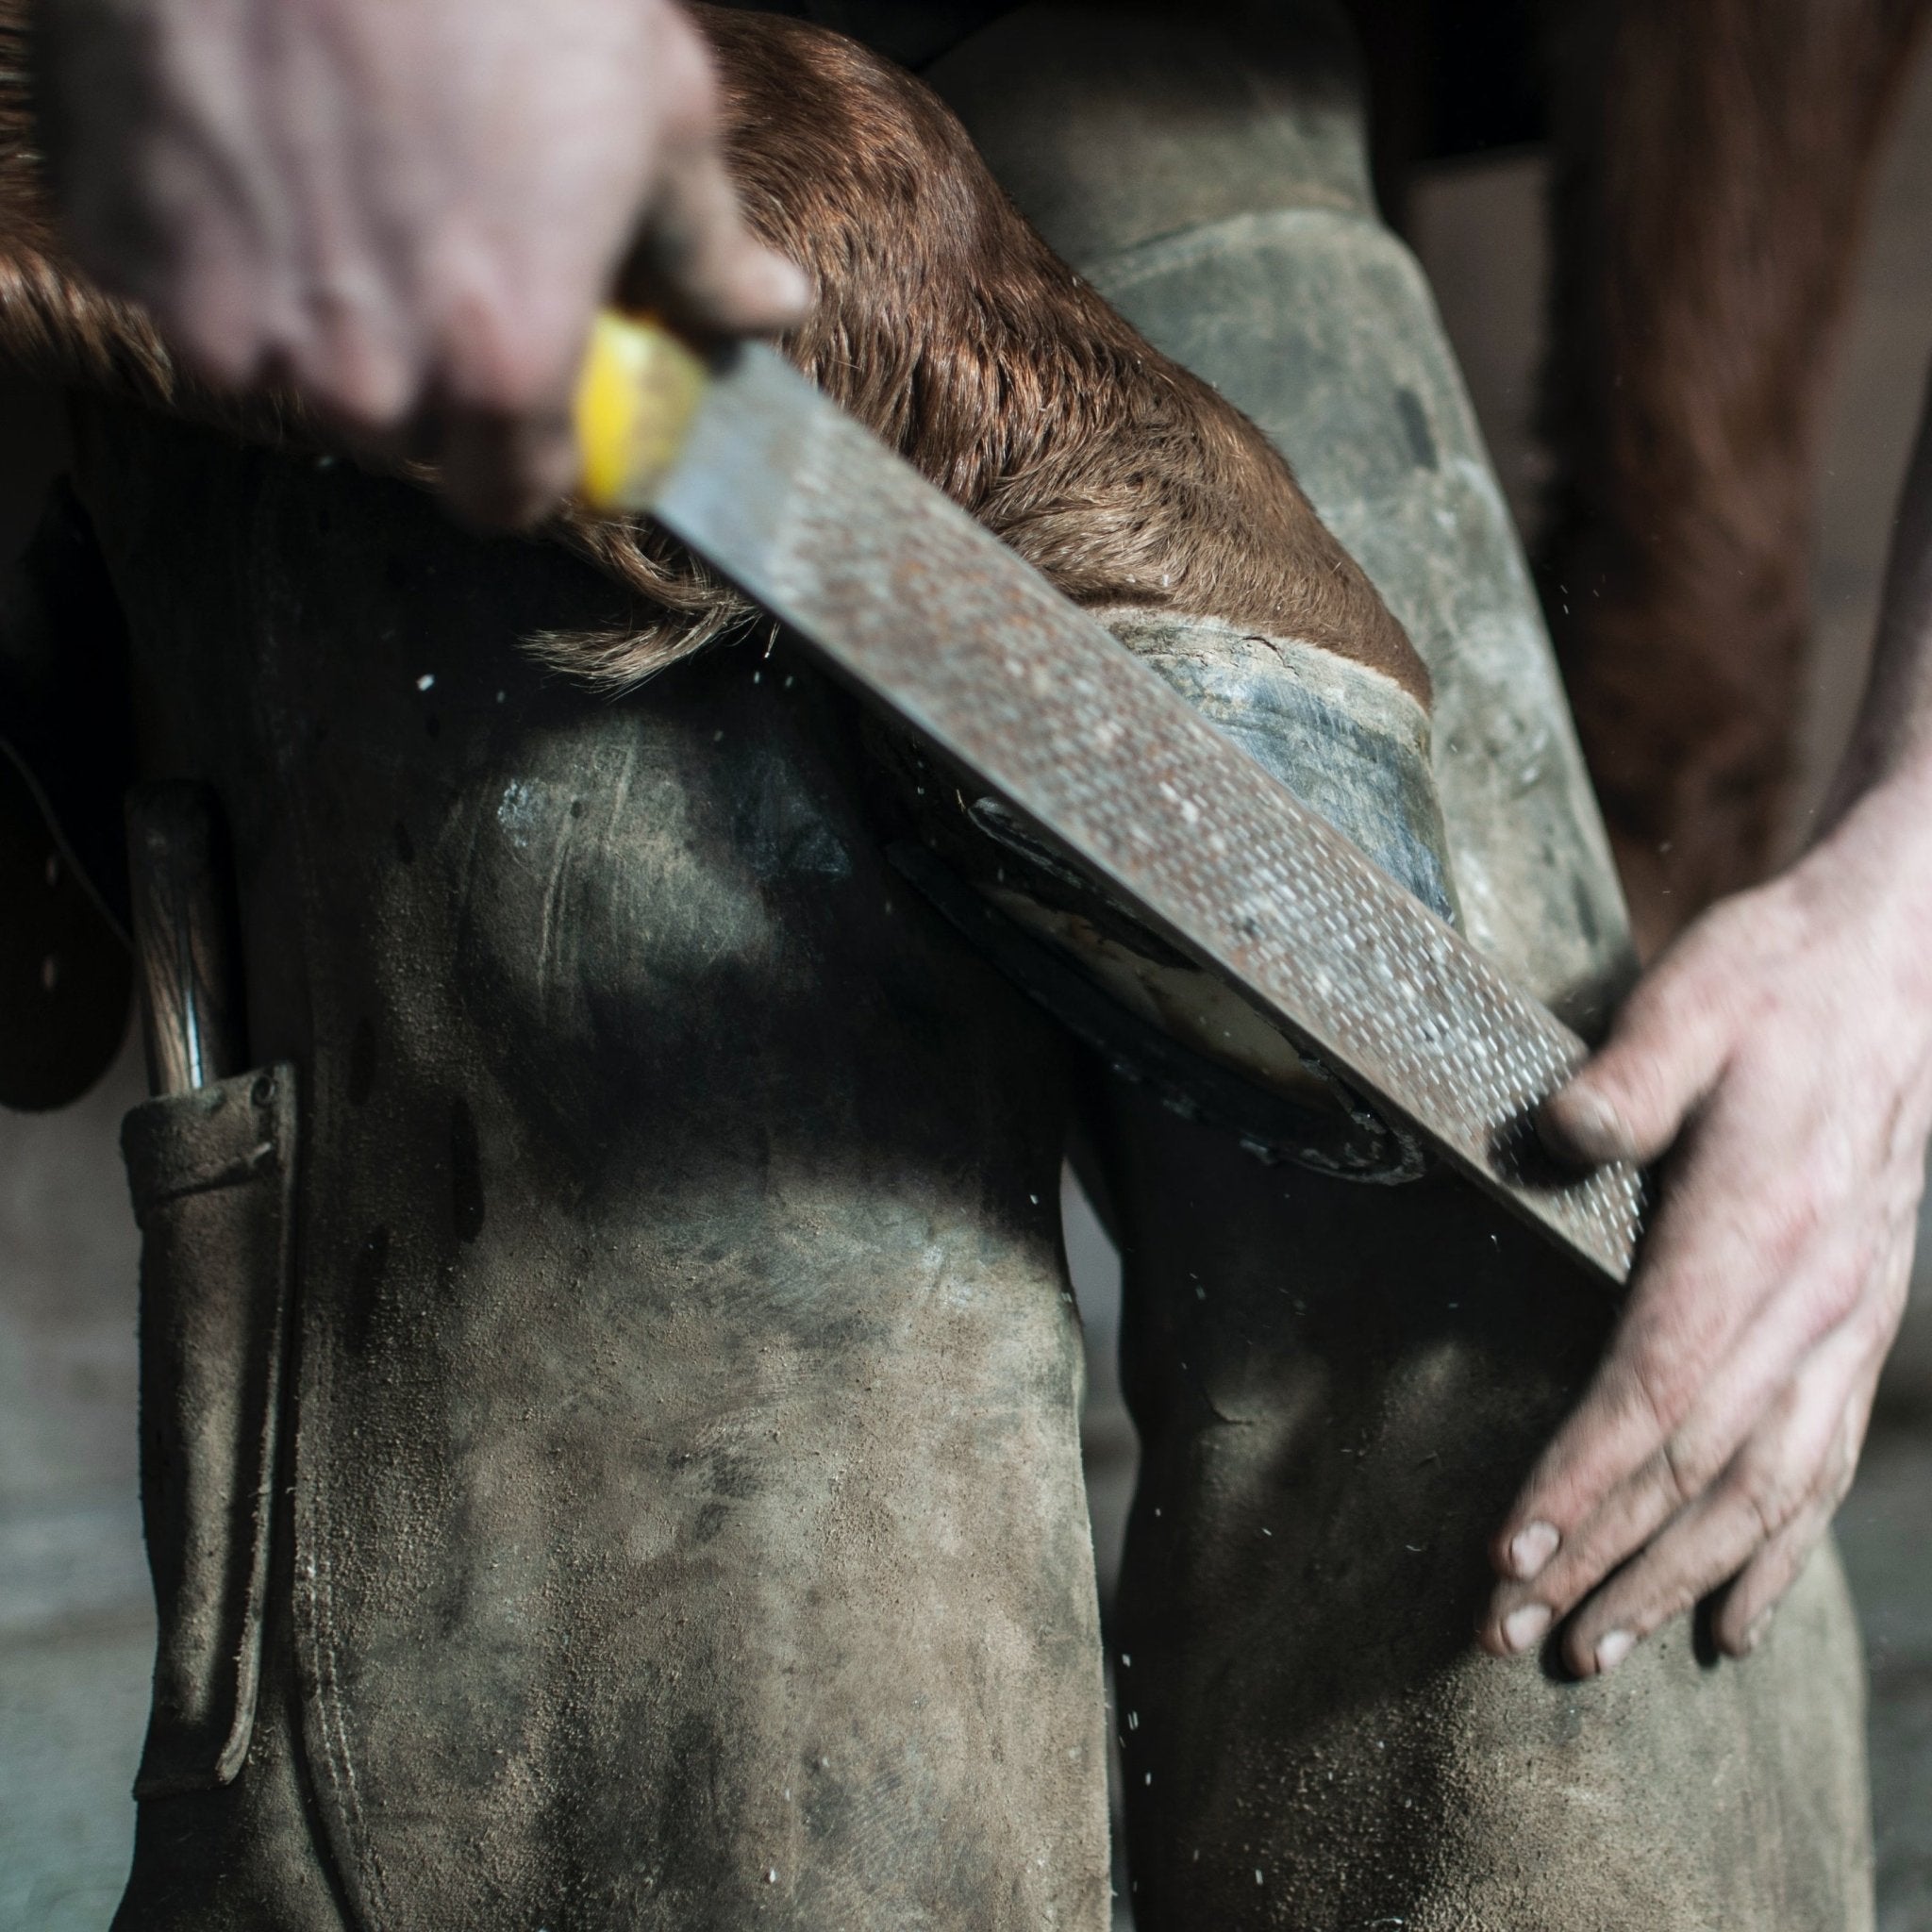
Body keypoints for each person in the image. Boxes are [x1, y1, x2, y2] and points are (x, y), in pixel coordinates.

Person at [13, 0, 1924, 1920]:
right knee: (740, 1666)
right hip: (371, 122)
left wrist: (1896, 890)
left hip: (1160, 59)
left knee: (1581, 1519)